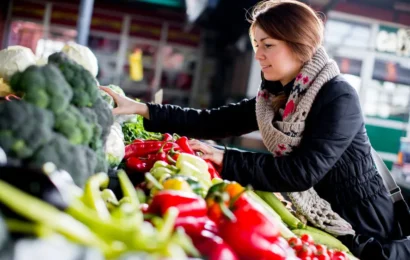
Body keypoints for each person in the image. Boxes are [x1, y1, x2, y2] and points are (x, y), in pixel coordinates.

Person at [101, 1, 410, 259]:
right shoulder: (276, 99)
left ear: (298, 44)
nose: (258, 54)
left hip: (363, 225)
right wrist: (143, 108)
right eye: (256, 45)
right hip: (319, 218)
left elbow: (302, 172)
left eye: (268, 45)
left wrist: (226, 159)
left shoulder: (338, 95)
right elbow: (212, 122)